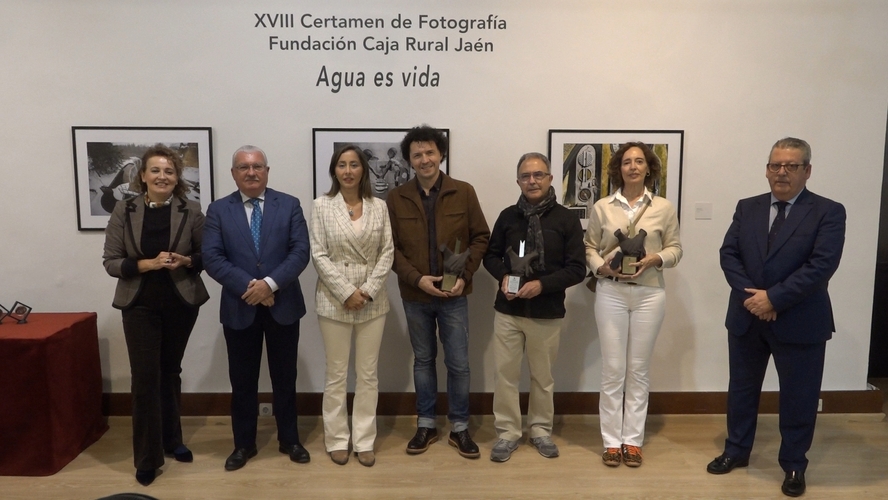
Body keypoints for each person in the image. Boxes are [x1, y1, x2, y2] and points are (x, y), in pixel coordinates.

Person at [707, 138, 845, 497]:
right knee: (741, 390)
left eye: (791, 166)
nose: (781, 172)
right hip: (747, 317)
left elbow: (821, 266)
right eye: (775, 165)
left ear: (807, 171)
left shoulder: (828, 212)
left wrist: (774, 298)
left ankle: (794, 464)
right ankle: (736, 451)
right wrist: (753, 299)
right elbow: (729, 254)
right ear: (767, 169)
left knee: (799, 397)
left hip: (800, 320)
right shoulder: (747, 207)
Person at [102, 144, 209, 486]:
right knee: (145, 378)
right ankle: (147, 458)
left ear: (177, 178)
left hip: (181, 303)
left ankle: (172, 439)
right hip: (139, 304)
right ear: (143, 175)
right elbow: (111, 262)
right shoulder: (124, 209)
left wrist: (187, 260)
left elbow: (207, 255)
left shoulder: (192, 210)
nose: (162, 176)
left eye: (169, 171)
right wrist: (147, 264)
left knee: (170, 372)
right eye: (156, 170)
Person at [203, 145, 311, 471]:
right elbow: (212, 257)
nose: (251, 172)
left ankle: (289, 439)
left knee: (285, 378)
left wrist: (270, 284)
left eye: (257, 166)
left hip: (283, 305)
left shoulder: (289, 204)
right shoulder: (218, 210)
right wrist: (252, 287)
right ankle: (243, 444)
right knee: (242, 381)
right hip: (240, 307)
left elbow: (300, 251)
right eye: (243, 167)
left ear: (267, 170)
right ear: (233, 173)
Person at [386, 125, 490, 459]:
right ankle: (426, 424)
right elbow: (390, 249)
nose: (424, 159)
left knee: (459, 363)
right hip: (415, 295)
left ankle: (459, 427)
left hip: (454, 295)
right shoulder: (396, 197)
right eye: (417, 154)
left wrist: (465, 276)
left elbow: (481, 237)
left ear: (441, 154)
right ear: (409, 160)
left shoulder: (464, 192)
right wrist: (416, 279)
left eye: (430, 152)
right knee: (423, 361)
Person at [584, 142, 682, 468]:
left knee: (638, 370)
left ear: (649, 168)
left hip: (649, 294)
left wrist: (656, 258)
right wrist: (601, 267)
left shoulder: (664, 208)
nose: (633, 166)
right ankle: (612, 442)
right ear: (619, 169)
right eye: (627, 161)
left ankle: (632, 441)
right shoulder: (602, 207)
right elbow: (589, 247)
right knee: (613, 370)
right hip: (611, 292)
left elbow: (676, 249)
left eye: (639, 161)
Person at [482, 152, 586, 462]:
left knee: (543, 377)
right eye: (526, 176)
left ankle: (540, 430)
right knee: (505, 376)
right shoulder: (507, 217)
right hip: (508, 311)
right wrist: (503, 276)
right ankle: (507, 433)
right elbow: (491, 256)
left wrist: (542, 285)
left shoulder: (566, 219)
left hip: (546, 312)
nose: (532, 181)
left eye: (538, 174)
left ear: (550, 179)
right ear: (518, 181)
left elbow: (577, 269)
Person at [310, 145, 394, 467]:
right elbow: (318, 254)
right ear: (334, 170)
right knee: (336, 374)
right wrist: (347, 292)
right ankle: (336, 439)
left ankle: (364, 439)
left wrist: (367, 291)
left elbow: (387, 252)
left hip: (373, 301)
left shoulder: (379, 206)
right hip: (334, 299)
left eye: (354, 164)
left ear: (363, 170)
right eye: (342, 165)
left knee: (368, 374)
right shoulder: (321, 206)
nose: (348, 171)